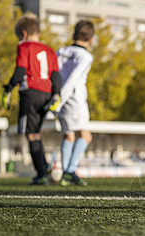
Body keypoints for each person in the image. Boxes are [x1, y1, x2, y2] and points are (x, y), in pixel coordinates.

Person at [2, 13, 62, 185]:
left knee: (31, 134)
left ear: (24, 33)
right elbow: (56, 76)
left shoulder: (24, 46)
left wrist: (9, 87)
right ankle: (44, 167)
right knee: (36, 132)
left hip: (30, 92)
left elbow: (20, 71)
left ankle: (41, 174)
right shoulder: (50, 50)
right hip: (47, 94)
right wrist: (56, 94)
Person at [56, 20, 95, 186]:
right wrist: (63, 97)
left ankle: (66, 173)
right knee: (86, 136)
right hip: (75, 99)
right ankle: (70, 170)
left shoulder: (61, 51)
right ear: (91, 39)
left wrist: (57, 99)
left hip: (60, 98)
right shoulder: (86, 56)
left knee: (69, 135)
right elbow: (73, 78)